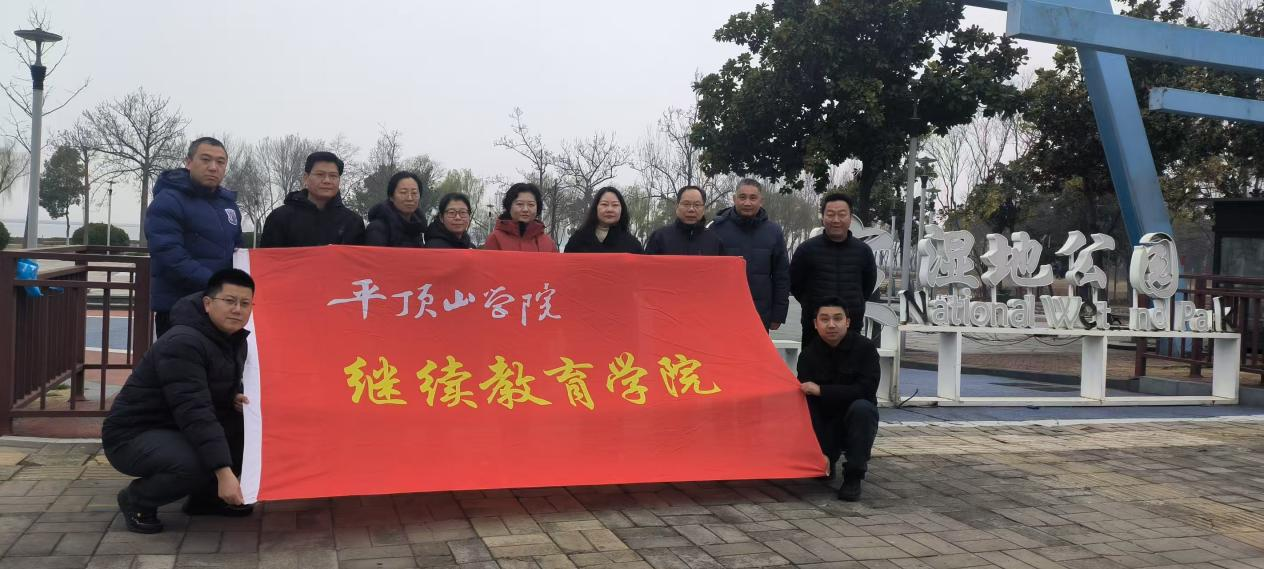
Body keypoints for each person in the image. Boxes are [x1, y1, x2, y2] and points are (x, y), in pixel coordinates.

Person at [102, 269, 257, 533]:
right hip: (133, 435)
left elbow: (211, 388)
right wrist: (223, 472)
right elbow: (194, 410)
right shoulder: (183, 342)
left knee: (250, 431)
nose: (237, 310)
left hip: (175, 427)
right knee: (196, 464)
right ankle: (137, 500)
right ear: (207, 303)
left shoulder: (233, 339)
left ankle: (206, 499)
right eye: (229, 301)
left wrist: (234, 397)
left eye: (245, 303)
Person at [145, 137, 243, 337]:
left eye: (220, 162)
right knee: (181, 358)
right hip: (180, 307)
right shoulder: (168, 201)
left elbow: (238, 251)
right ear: (188, 162)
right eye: (205, 160)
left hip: (222, 307)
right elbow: (169, 254)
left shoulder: (229, 205)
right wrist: (216, 285)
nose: (213, 167)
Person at [796, 298, 879, 502]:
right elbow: (808, 402)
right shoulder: (808, 355)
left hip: (856, 416)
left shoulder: (865, 349)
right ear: (815, 324)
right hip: (825, 419)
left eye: (837, 318)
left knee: (863, 409)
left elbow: (866, 390)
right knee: (803, 404)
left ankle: (853, 476)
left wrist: (822, 390)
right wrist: (820, 451)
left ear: (847, 322)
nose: (831, 325)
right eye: (824, 319)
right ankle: (825, 459)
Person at [790, 192, 877, 341]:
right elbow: (795, 285)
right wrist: (811, 305)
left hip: (851, 326)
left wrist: (854, 305)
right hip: (815, 328)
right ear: (823, 218)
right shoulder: (806, 250)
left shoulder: (863, 251)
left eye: (842, 214)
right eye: (830, 214)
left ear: (850, 218)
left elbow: (867, 287)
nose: (836, 220)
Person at [710, 178, 790, 330]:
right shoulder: (716, 229)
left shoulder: (773, 232)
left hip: (760, 313)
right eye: (742, 197)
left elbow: (782, 276)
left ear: (761, 201)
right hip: (723, 312)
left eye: (753, 198)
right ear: (734, 199)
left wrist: (778, 314)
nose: (747, 203)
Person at [259, 151, 364, 247]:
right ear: (306, 178)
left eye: (333, 176)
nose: (327, 180)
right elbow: (268, 258)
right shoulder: (280, 218)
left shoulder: (353, 222)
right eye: (320, 174)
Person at [645, 185, 723, 256]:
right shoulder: (660, 238)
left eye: (697, 205)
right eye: (686, 204)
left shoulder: (714, 241)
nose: (691, 209)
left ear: (703, 209)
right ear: (677, 207)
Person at [563, 186, 644, 254]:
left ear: (622, 210)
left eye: (615, 205)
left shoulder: (633, 245)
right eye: (604, 204)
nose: (609, 209)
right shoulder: (577, 241)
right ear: (595, 208)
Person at [483, 183, 558, 252]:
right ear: (509, 206)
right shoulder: (495, 238)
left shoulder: (549, 243)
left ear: (537, 208)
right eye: (519, 204)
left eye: (531, 205)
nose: (525, 209)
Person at [364, 171, 426, 247]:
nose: (410, 198)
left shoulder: (417, 228)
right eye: (403, 192)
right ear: (391, 197)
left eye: (414, 193)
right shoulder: (377, 228)